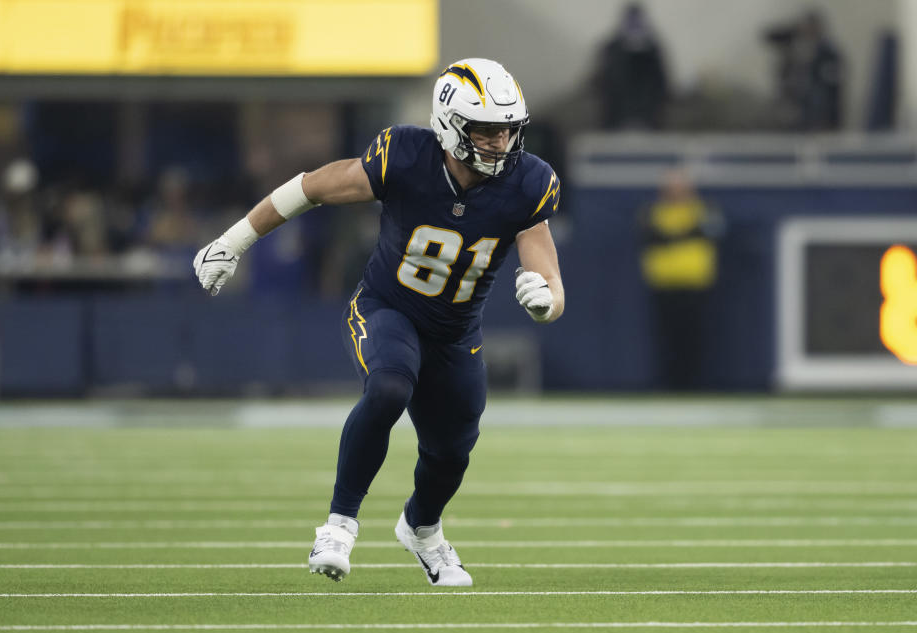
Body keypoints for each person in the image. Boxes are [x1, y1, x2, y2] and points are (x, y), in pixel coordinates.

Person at [193, 58, 564, 587]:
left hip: (457, 334)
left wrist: (544, 301)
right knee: (389, 386)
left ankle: (422, 530)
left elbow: (550, 279)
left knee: (452, 450)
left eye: (508, 129)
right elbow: (314, 186)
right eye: (485, 130)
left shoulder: (529, 183)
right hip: (388, 308)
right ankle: (339, 525)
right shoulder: (406, 156)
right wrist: (234, 240)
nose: (500, 143)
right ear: (449, 125)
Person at [638, 169, 723, 390]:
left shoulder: (704, 210)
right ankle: (668, 384)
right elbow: (650, 236)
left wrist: (674, 237)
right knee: (667, 338)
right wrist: (686, 234)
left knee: (695, 337)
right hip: (664, 285)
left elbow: (712, 231)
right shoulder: (653, 212)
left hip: (695, 284)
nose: (676, 192)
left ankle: (695, 384)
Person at [595, 3, 669, 130]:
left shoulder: (654, 50)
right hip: (614, 119)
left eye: (637, 21)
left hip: (650, 119)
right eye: (631, 21)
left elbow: (661, 85)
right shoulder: (612, 49)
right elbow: (604, 84)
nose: (634, 25)